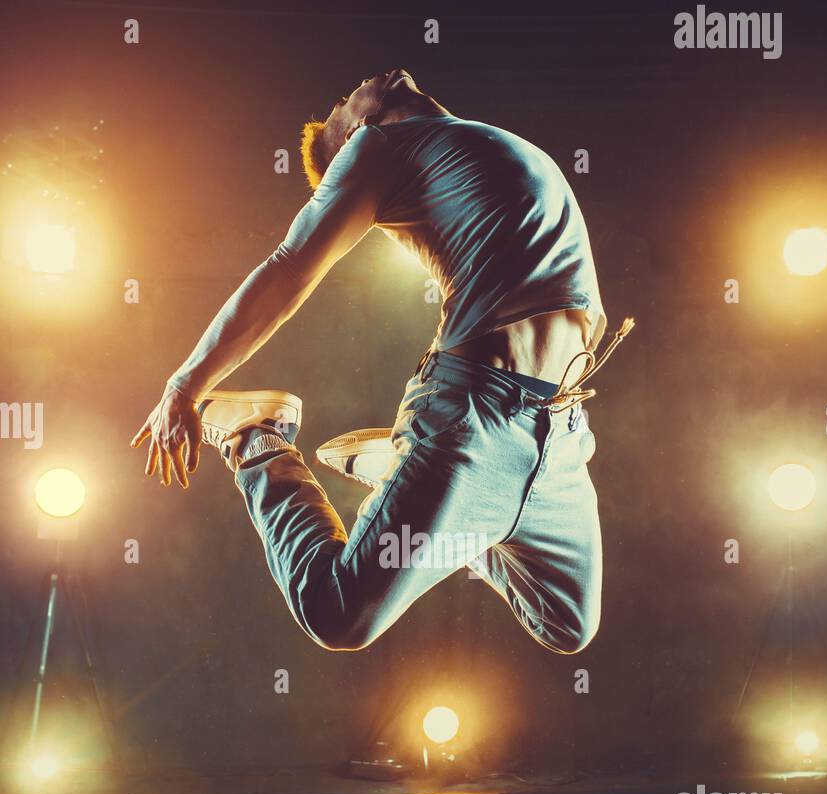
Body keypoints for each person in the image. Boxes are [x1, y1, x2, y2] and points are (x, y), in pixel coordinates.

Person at [132, 68, 631, 653]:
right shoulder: (377, 147)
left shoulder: (471, 138)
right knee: (339, 615)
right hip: (475, 416)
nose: (359, 86)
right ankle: (257, 440)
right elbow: (290, 266)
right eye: (345, 103)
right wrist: (185, 387)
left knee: (568, 625)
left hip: (559, 430)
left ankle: (389, 470)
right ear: (353, 136)